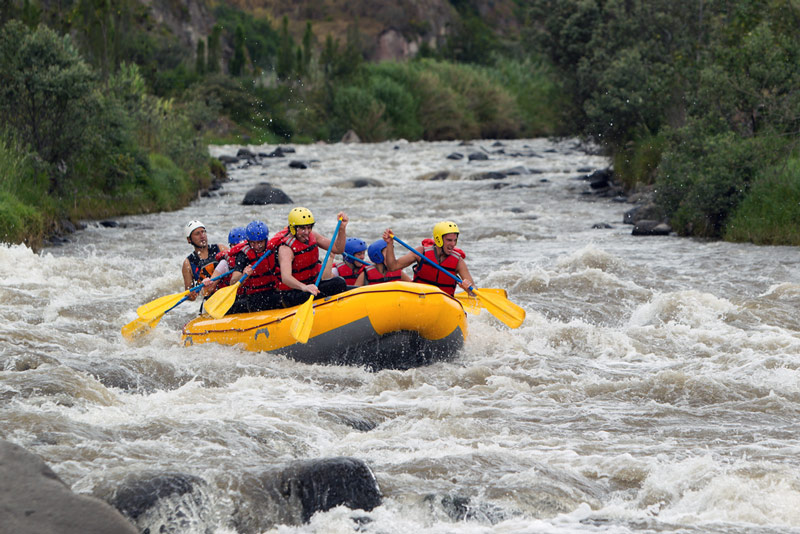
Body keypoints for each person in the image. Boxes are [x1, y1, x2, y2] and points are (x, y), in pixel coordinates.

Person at [268, 207, 349, 308]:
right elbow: (286, 278)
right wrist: (304, 287)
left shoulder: (313, 235)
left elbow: (337, 249)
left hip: (311, 286)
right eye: (303, 228)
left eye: (309, 227)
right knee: (338, 283)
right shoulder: (286, 249)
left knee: (340, 282)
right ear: (293, 228)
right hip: (292, 294)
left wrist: (342, 228)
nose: (307, 232)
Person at [381, 221, 474, 296]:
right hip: (420, 300)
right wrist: (389, 244)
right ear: (439, 239)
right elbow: (393, 267)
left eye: (455, 240)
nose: (453, 244)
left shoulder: (458, 261)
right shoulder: (421, 252)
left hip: (443, 306)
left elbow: (474, 292)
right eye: (449, 240)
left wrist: (468, 289)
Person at [226, 220, 280, 314]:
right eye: (253, 243)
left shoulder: (273, 250)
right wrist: (244, 275)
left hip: (272, 290)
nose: (256, 246)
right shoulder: (243, 255)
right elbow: (233, 282)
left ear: (266, 240)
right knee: (262, 301)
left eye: (260, 242)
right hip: (254, 297)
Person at [181, 220, 228, 302]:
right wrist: (191, 295)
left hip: (227, 292)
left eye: (203, 232)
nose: (202, 236)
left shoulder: (220, 248)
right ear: (189, 239)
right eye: (197, 234)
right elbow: (190, 295)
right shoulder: (188, 263)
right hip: (210, 300)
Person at [201, 226, 247, 297]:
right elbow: (207, 291)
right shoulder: (224, 263)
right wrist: (206, 286)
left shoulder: (253, 258)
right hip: (231, 299)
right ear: (230, 246)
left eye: (240, 246)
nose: (237, 249)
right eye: (234, 246)